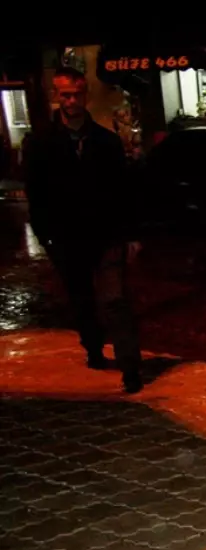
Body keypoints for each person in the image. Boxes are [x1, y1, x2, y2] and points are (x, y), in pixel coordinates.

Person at [22, 67, 143, 392]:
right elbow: (37, 193)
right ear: (55, 96)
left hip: (105, 235)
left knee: (115, 301)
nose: (71, 101)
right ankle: (92, 347)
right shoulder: (41, 143)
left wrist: (130, 234)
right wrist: (47, 236)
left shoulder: (106, 142)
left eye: (76, 94)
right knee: (81, 299)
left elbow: (123, 191)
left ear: (84, 95)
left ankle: (131, 368)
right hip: (67, 238)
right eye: (65, 95)